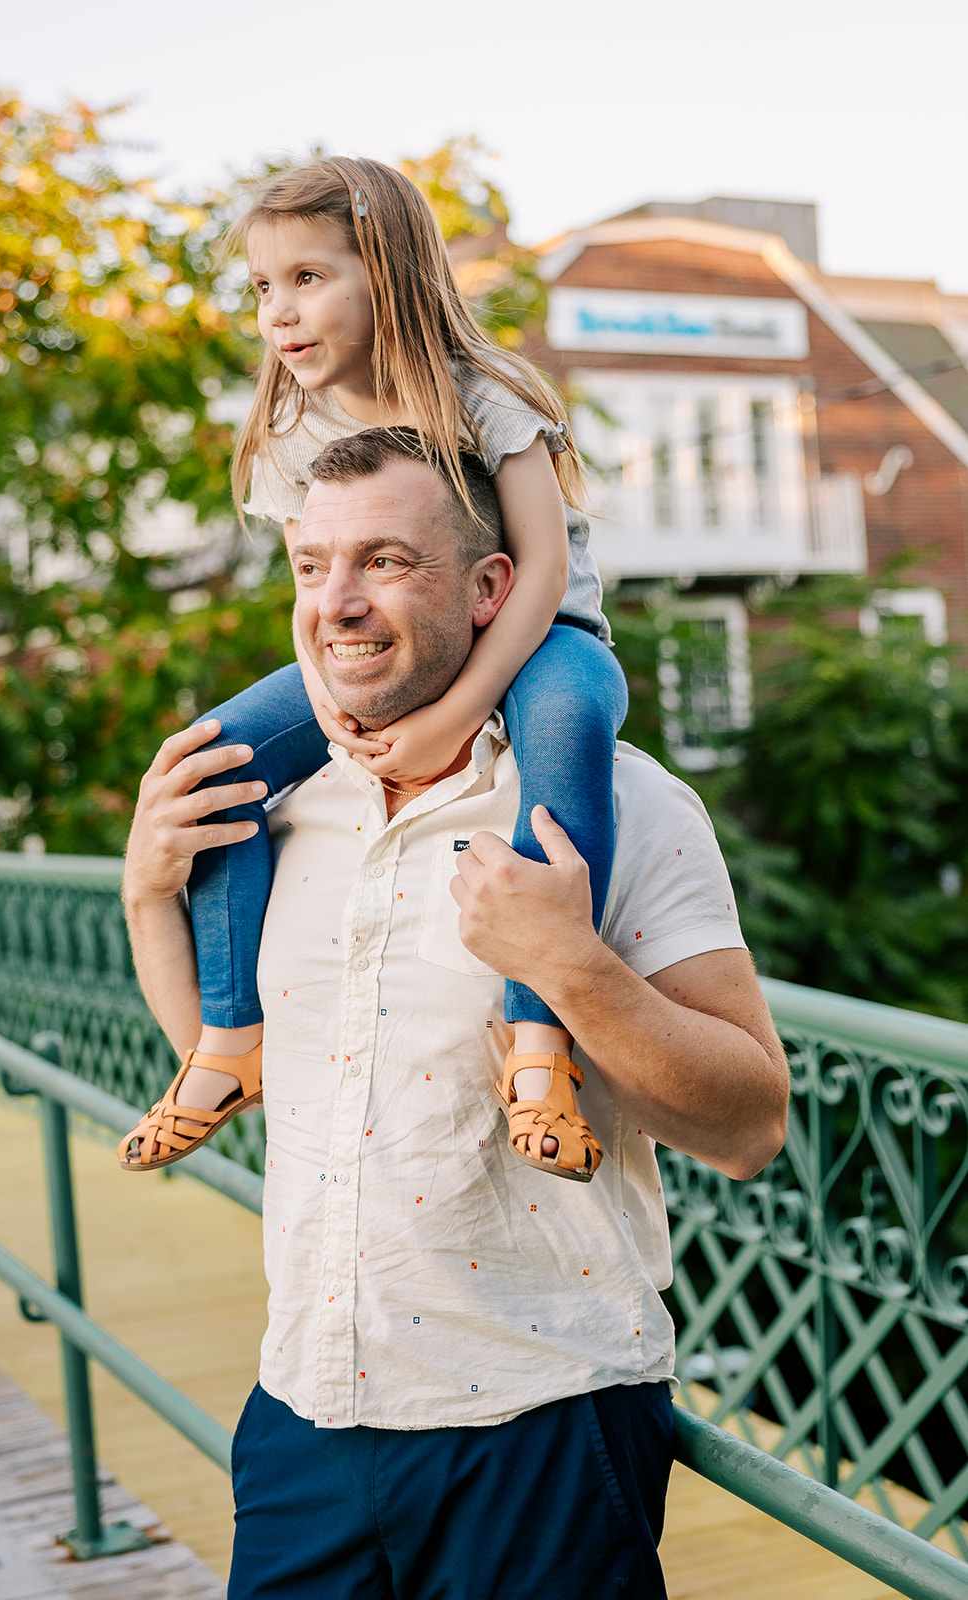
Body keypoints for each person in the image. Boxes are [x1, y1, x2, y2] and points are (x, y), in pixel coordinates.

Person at [122, 429, 790, 1599]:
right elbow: (236, 1060)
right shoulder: (276, 807)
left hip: (537, 1428)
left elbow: (747, 1125)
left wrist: (570, 969)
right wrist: (145, 893)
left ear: (492, 587)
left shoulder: (621, 803)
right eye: (311, 566)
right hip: (303, 1414)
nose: (337, 604)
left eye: (384, 561)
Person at [118, 155, 627, 1181]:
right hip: (381, 649)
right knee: (216, 759)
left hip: (537, 637)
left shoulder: (478, 397)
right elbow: (311, 596)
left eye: (308, 278)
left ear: (385, 274)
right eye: (263, 288)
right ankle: (229, 1037)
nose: (278, 312)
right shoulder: (292, 429)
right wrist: (325, 704)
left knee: (568, 726)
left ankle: (539, 1044)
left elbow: (541, 569)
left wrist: (457, 714)